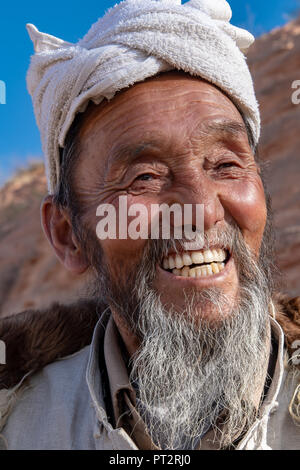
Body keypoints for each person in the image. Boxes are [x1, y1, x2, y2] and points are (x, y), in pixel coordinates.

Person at [0, 0, 299, 450]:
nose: (201, 209)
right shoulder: (17, 423)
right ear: (67, 234)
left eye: (225, 164)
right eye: (144, 178)